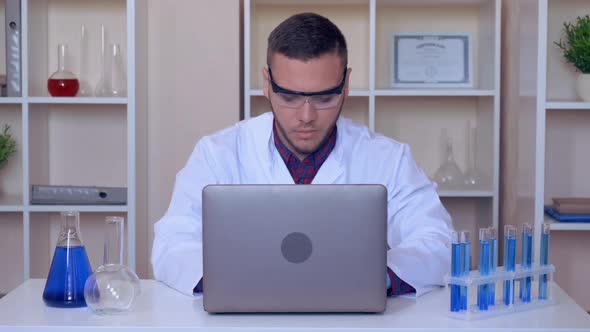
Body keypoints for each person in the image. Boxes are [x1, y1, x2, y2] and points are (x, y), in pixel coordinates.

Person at [151, 12, 452, 298]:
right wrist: (236, 280)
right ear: (267, 84)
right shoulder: (217, 154)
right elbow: (172, 243)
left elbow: (438, 241)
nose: (306, 116)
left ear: (346, 85)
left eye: (324, 98)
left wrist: (374, 278)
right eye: (289, 97)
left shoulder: (388, 158)